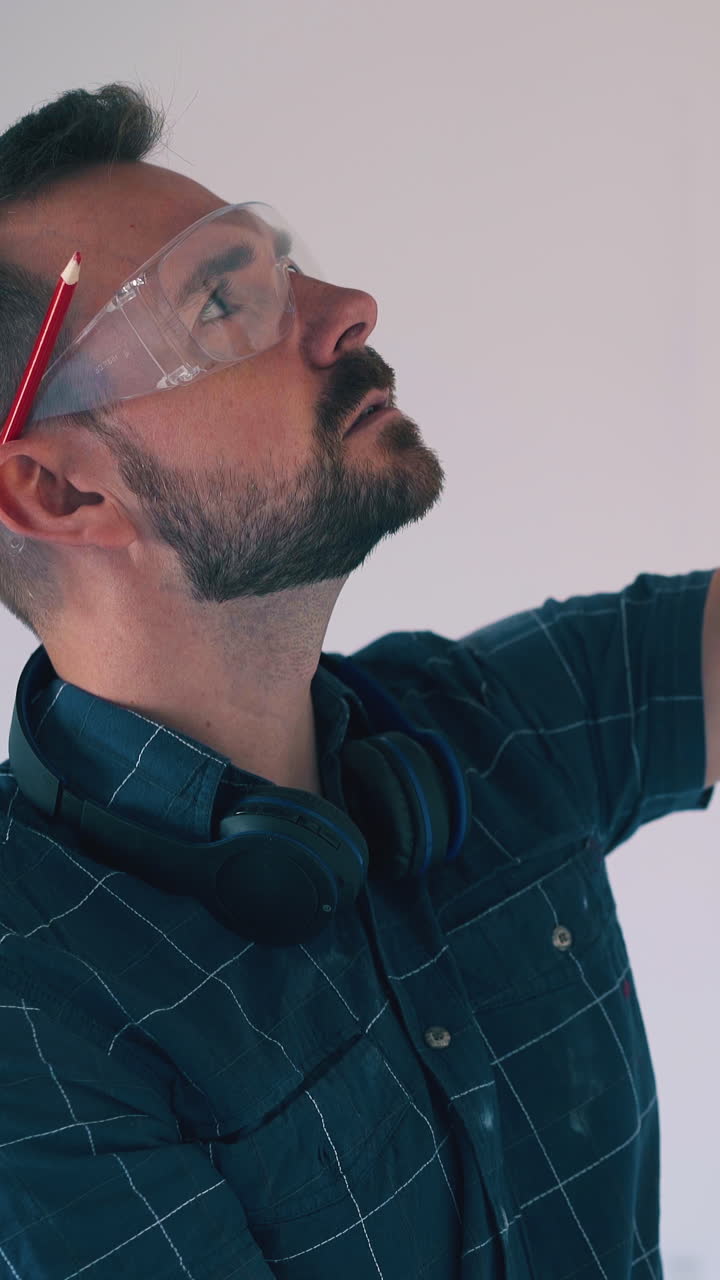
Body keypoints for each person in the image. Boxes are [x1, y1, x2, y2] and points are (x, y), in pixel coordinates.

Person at [0, 83, 714, 1279]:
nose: (346, 310)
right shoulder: (31, 1009)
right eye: (224, 300)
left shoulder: (462, 728)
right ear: (64, 492)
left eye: (287, 269)